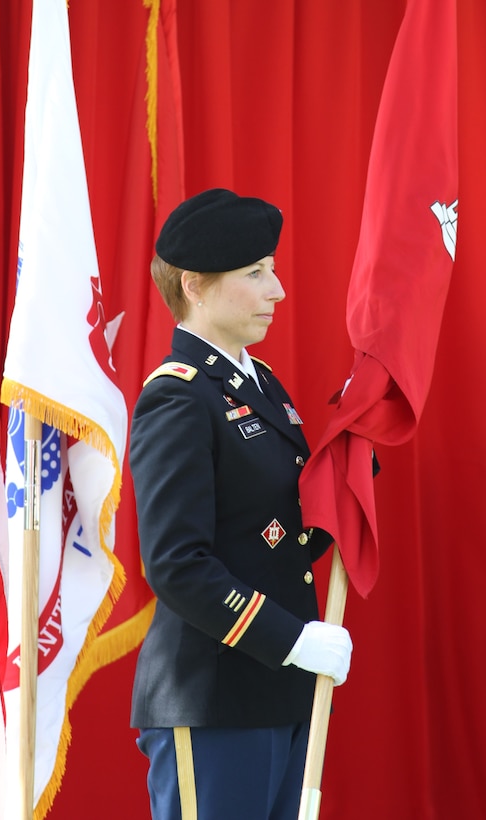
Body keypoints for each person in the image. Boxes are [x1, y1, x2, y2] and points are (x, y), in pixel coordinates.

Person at [129, 188, 353, 820]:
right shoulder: (178, 399)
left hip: (278, 691)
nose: (276, 290)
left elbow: (275, 531)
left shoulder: (260, 384)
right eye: (255, 273)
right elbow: (177, 564)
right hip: (215, 698)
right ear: (195, 285)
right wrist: (292, 639)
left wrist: (346, 473)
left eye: (272, 269)